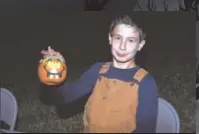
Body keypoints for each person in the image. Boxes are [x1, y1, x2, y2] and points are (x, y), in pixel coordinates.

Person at [39, 15, 158, 133]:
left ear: (140, 45)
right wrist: (56, 72)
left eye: (130, 40)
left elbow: (146, 129)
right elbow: (65, 98)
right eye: (118, 38)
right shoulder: (98, 71)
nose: (122, 46)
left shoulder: (145, 83)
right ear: (110, 39)